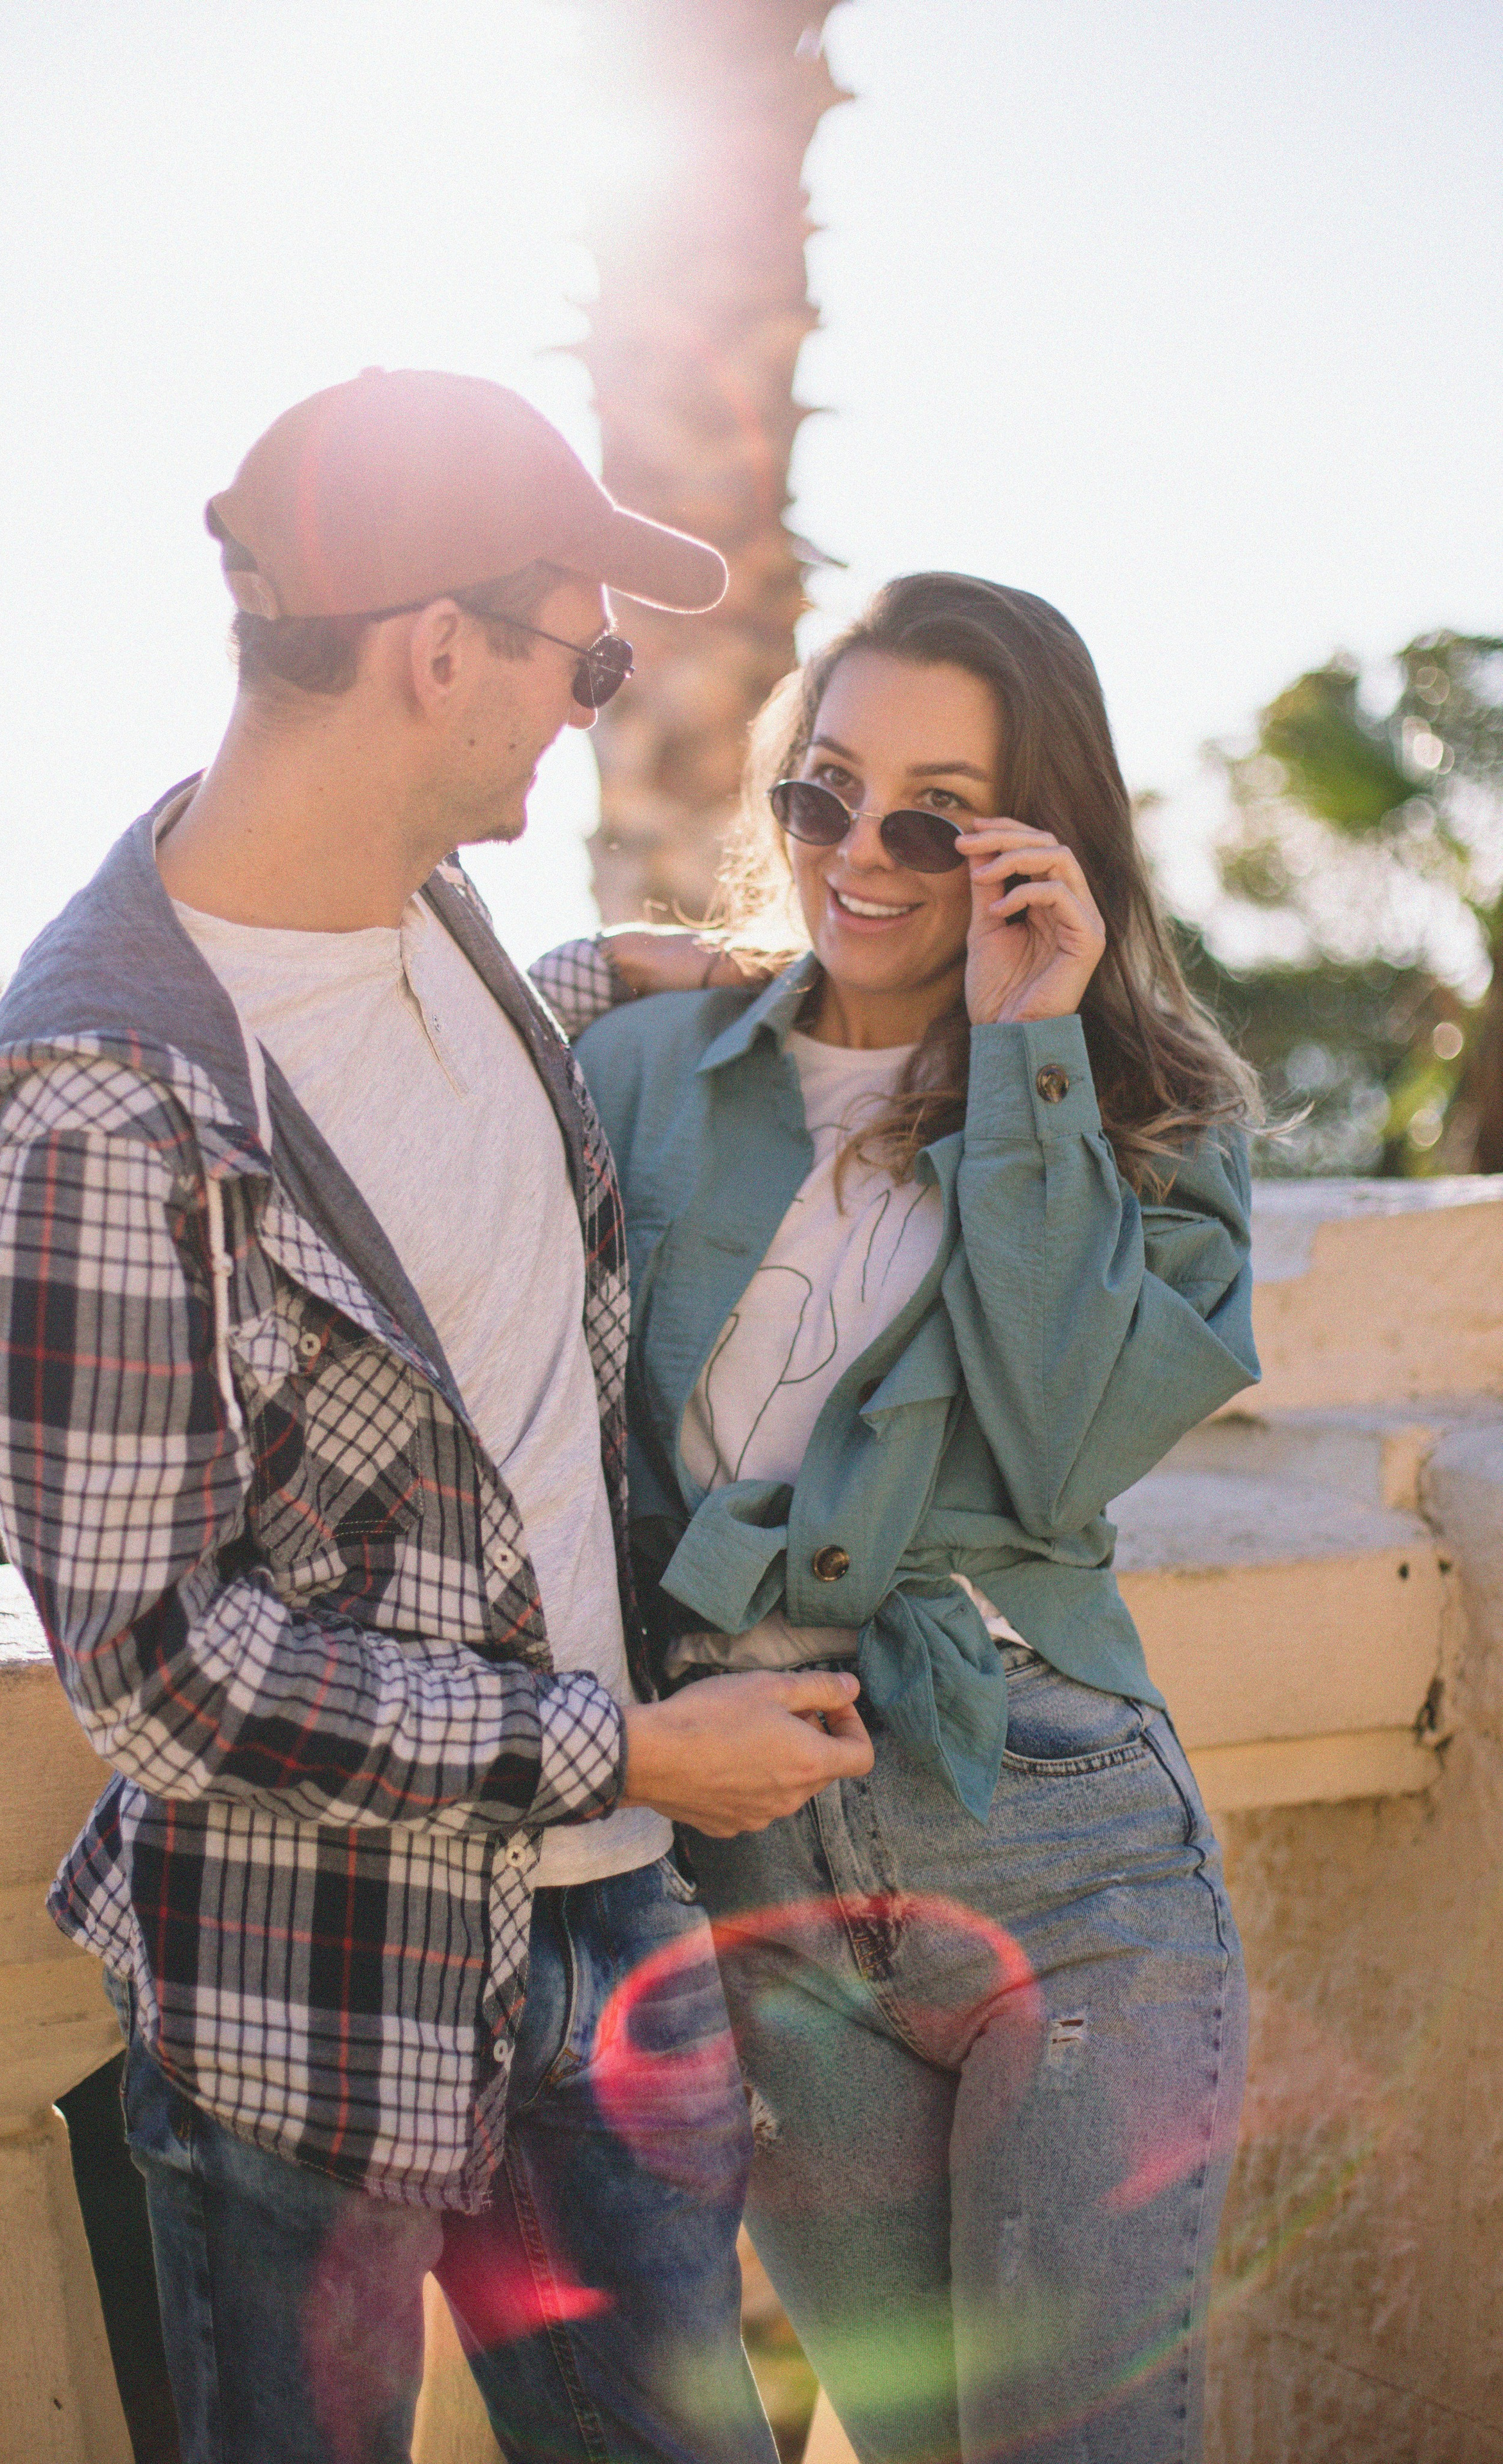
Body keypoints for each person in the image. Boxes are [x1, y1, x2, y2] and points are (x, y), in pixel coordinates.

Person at [0, 368, 873, 2464]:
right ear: (440, 649)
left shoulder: (431, 914)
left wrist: (600, 987)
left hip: (607, 1925)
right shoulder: (101, 1099)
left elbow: (391, 1195)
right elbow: (163, 1675)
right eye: (582, 654)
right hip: (313, 2020)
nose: (589, 703)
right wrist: (621, 1746)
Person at [539, 571, 1262, 2464]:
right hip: (759, 1891)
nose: (864, 854)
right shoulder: (636, 1078)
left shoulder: (1157, 1127)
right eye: (824, 793)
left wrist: (1031, 1048)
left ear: (1040, 840)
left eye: (934, 814)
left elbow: (1052, 1441)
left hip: (1070, 1873)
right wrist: (618, 966)